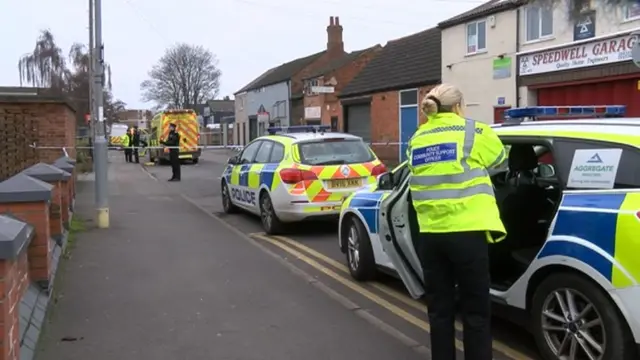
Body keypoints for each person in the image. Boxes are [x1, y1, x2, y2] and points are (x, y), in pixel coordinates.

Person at [407, 83, 507, 360]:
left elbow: (415, 173)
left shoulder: (417, 137)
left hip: (431, 234)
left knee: (439, 311)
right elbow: (501, 162)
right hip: (467, 232)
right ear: (459, 106)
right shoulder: (475, 131)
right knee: (475, 311)